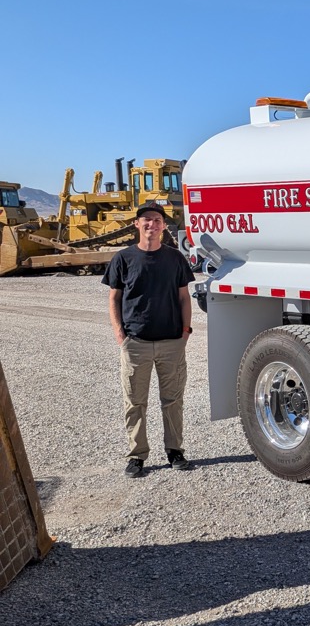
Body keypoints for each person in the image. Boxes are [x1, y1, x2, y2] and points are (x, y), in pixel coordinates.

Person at [103, 202, 195, 477]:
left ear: (164, 226)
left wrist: (186, 332)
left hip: (171, 342)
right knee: (134, 402)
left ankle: (175, 451)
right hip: (136, 343)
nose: (152, 225)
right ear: (136, 224)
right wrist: (120, 333)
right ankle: (136, 456)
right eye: (146, 220)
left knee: (172, 400)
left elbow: (183, 297)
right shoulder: (123, 258)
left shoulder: (175, 258)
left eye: (157, 220)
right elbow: (114, 298)